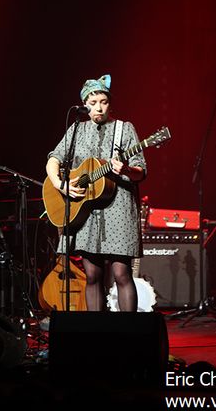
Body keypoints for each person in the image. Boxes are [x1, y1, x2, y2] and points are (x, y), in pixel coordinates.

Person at [45, 74, 147, 311]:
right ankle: (97, 335)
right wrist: (60, 184)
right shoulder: (76, 129)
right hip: (85, 211)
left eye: (103, 101)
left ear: (110, 103)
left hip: (119, 208)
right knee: (92, 276)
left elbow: (141, 171)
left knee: (121, 274)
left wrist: (127, 169)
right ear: (84, 105)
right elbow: (54, 159)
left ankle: (128, 335)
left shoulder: (124, 129)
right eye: (92, 103)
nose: (98, 107)